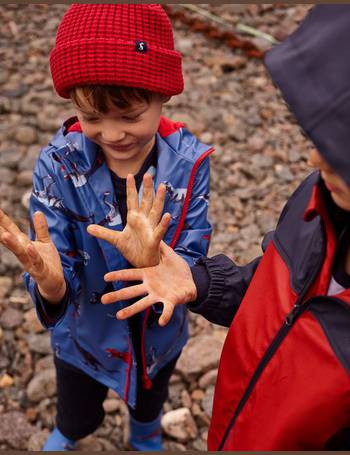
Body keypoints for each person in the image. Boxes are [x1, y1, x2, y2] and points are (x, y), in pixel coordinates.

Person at [96, 5, 350, 450]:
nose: (315, 160)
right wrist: (199, 281)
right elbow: (278, 295)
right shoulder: (321, 197)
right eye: (319, 139)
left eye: (341, 148)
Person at [0, 4, 213, 451]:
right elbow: (55, 257)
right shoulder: (57, 164)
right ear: (74, 103)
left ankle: (146, 430)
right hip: (84, 329)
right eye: (92, 118)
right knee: (76, 401)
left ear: (162, 95)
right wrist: (52, 283)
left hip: (157, 329)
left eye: (130, 116)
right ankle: (73, 430)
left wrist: (158, 262)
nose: (113, 134)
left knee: (150, 393)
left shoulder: (190, 165)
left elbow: (194, 249)